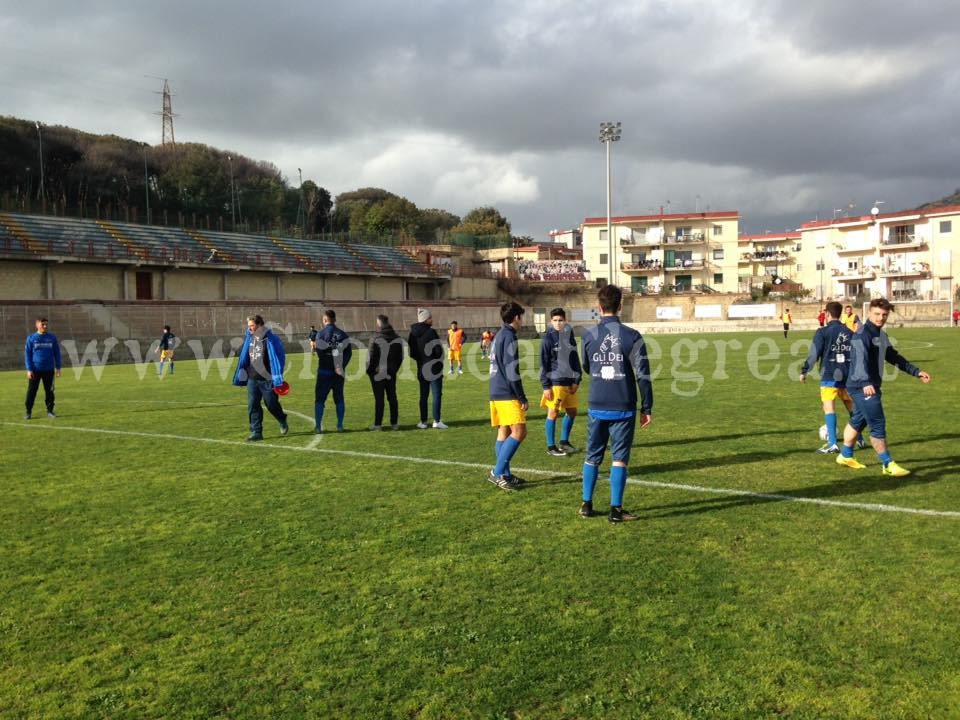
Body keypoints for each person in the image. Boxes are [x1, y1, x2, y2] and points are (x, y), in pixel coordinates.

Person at [579, 285, 653, 523]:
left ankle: (587, 504)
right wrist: (647, 408)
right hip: (623, 405)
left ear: (599, 308)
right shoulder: (632, 336)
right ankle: (615, 510)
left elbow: (587, 367)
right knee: (619, 458)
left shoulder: (588, 336)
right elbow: (643, 374)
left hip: (597, 403)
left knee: (592, 456)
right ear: (620, 306)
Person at [836, 298, 931, 476]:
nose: (881, 318)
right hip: (861, 386)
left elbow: (893, 357)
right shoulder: (862, 333)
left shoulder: (881, 335)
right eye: (877, 314)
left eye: (885, 315)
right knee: (878, 423)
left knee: (858, 420)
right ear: (869, 313)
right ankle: (887, 464)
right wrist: (865, 383)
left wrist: (915, 371)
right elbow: (858, 359)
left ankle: (845, 455)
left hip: (869, 385)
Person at [799, 301, 864, 453]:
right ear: (841, 314)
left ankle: (833, 443)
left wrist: (804, 371)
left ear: (827, 314)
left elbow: (814, 354)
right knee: (852, 409)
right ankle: (859, 439)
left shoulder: (822, 332)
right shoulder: (850, 332)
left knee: (829, 408)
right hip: (848, 376)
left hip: (829, 375)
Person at [488, 301, 528, 490]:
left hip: (495, 389)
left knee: (504, 431)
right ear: (516, 317)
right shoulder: (509, 336)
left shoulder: (499, 335)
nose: (522, 320)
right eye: (521, 316)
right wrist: (521, 397)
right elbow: (512, 370)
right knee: (519, 431)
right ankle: (497, 472)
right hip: (506, 391)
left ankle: (505, 474)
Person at [232, 314, 289, 441]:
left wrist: (278, 376)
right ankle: (256, 432)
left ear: (259, 325)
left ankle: (281, 418)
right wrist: (242, 375)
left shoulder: (272, 339)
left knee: (271, 404)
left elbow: (280, 358)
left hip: (267, 378)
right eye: (249, 326)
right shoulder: (249, 338)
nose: (249, 328)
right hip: (252, 378)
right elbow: (244, 358)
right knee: (253, 405)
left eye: (252, 326)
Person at [539, 307, 582, 456]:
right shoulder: (547, 339)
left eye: (561, 320)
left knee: (572, 411)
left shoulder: (569, 336)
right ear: (551, 321)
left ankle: (564, 442)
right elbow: (543, 364)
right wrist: (546, 386)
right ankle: (551, 447)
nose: (558, 323)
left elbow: (575, 358)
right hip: (555, 382)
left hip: (570, 381)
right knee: (553, 413)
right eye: (555, 320)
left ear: (565, 320)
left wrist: (577, 379)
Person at [314, 308, 352, 433]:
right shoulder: (343, 334)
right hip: (338, 372)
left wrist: (328, 362)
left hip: (324, 371)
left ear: (325, 320)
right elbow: (348, 353)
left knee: (320, 399)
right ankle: (340, 425)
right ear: (335, 319)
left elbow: (319, 352)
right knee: (339, 398)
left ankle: (318, 426)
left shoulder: (320, 334)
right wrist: (340, 366)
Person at [408, 308, 447, 429]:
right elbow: (438, 351)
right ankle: (436, 420)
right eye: (430, 318)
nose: (432, 320)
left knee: (423, 395)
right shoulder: (431, 332)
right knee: (436, 395)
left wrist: (421, 360)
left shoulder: (412, 334)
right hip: (433, 368)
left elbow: (411, 353)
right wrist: (437, 362)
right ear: (426, 319)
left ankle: (423, 421)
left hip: (421, 367)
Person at [366, 314, 403, 430]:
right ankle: (394, 423)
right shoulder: (397, 338)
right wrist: (394, 369)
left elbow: (371, 357)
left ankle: (378, 424)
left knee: (379, 399)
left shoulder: (375, 338)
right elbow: (400, 357)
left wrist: (370, 371)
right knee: (392, 397)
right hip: (391, 371)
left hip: (378, 372)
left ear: (379, 324)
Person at [24, 316, 62, 420]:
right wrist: (29, 369)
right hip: (35, 370)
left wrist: (58, 367)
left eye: (46, 324)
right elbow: (27, 355)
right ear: (37, 325)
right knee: (32, 391)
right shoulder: (31, 338)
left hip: (49, 370)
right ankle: (28, 411)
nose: (45, 326)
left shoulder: (52, 338)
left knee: (49, 392)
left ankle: (50, 411)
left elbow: (57, 353)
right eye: (42, 324)